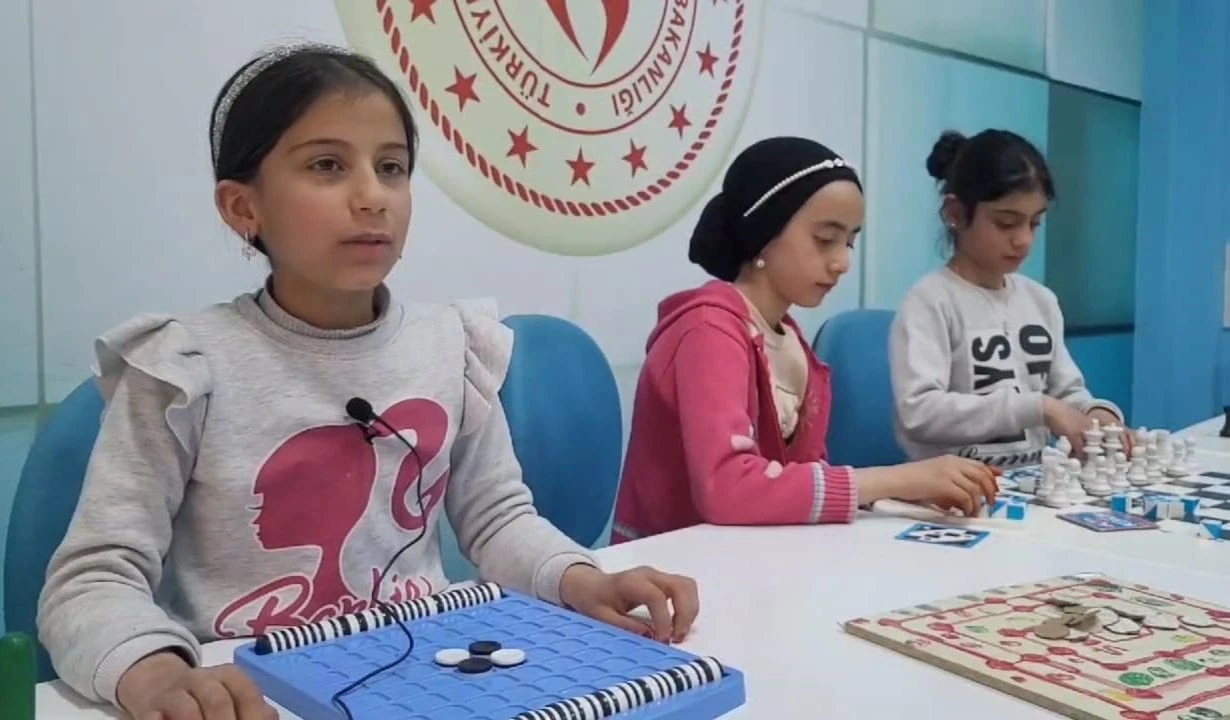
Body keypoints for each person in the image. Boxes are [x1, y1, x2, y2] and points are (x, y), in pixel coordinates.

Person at [37, 43, 699, 720]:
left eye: (391, 168)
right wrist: (152, 674)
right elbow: (91, 580)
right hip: (250, 693)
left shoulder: (451, 347)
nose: (372, 197)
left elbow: (498, 519)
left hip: (427, 680)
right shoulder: (182, 369)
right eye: (327, 166)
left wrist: (581, 578)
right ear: (242, 208)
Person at [610, 136, 999, 544]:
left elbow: (792, 482)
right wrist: (895, 479)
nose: (842, 262)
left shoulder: (791, 342)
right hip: (671, 565)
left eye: (849, 242)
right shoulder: (709, 331)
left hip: (750, 556)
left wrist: (899, 495)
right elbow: (727, 488)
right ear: (764, 231)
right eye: (825, 239)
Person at [889, 129, 1125, 469]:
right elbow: (919, 412)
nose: (1023, 240)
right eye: (1006, 223)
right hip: (953, 488)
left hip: (1031, 484)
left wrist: (1095, 413)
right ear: (955, 213)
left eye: (1035, 223)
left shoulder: (1041, 301)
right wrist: (1037, 407)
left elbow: (1065, 394)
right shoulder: (929, 302)